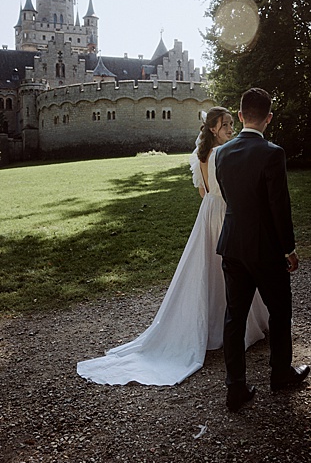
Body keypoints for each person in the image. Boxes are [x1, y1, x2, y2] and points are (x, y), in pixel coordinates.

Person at [77, 107, 270, 385]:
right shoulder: (221, 154)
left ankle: (222, 325)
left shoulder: (202, 155)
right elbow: (229, 189)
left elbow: (203, 191)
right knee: (231, 267)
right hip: (225, 212)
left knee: (212, 269)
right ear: (214, 129)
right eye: (226, 125)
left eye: (231, 124)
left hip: (208, 211)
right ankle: (232, 327)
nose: (231, 129)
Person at [215, 88, 309, 413]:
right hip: (266, 249)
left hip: (232, 245)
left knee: (234, 318)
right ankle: (280, 374)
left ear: (240, 116)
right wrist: (289, 249)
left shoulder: (222, 154)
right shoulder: (273, 153)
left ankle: (235, 388)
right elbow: (279, 207)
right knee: (280, 311)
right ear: (268, 118)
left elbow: (229, 197)